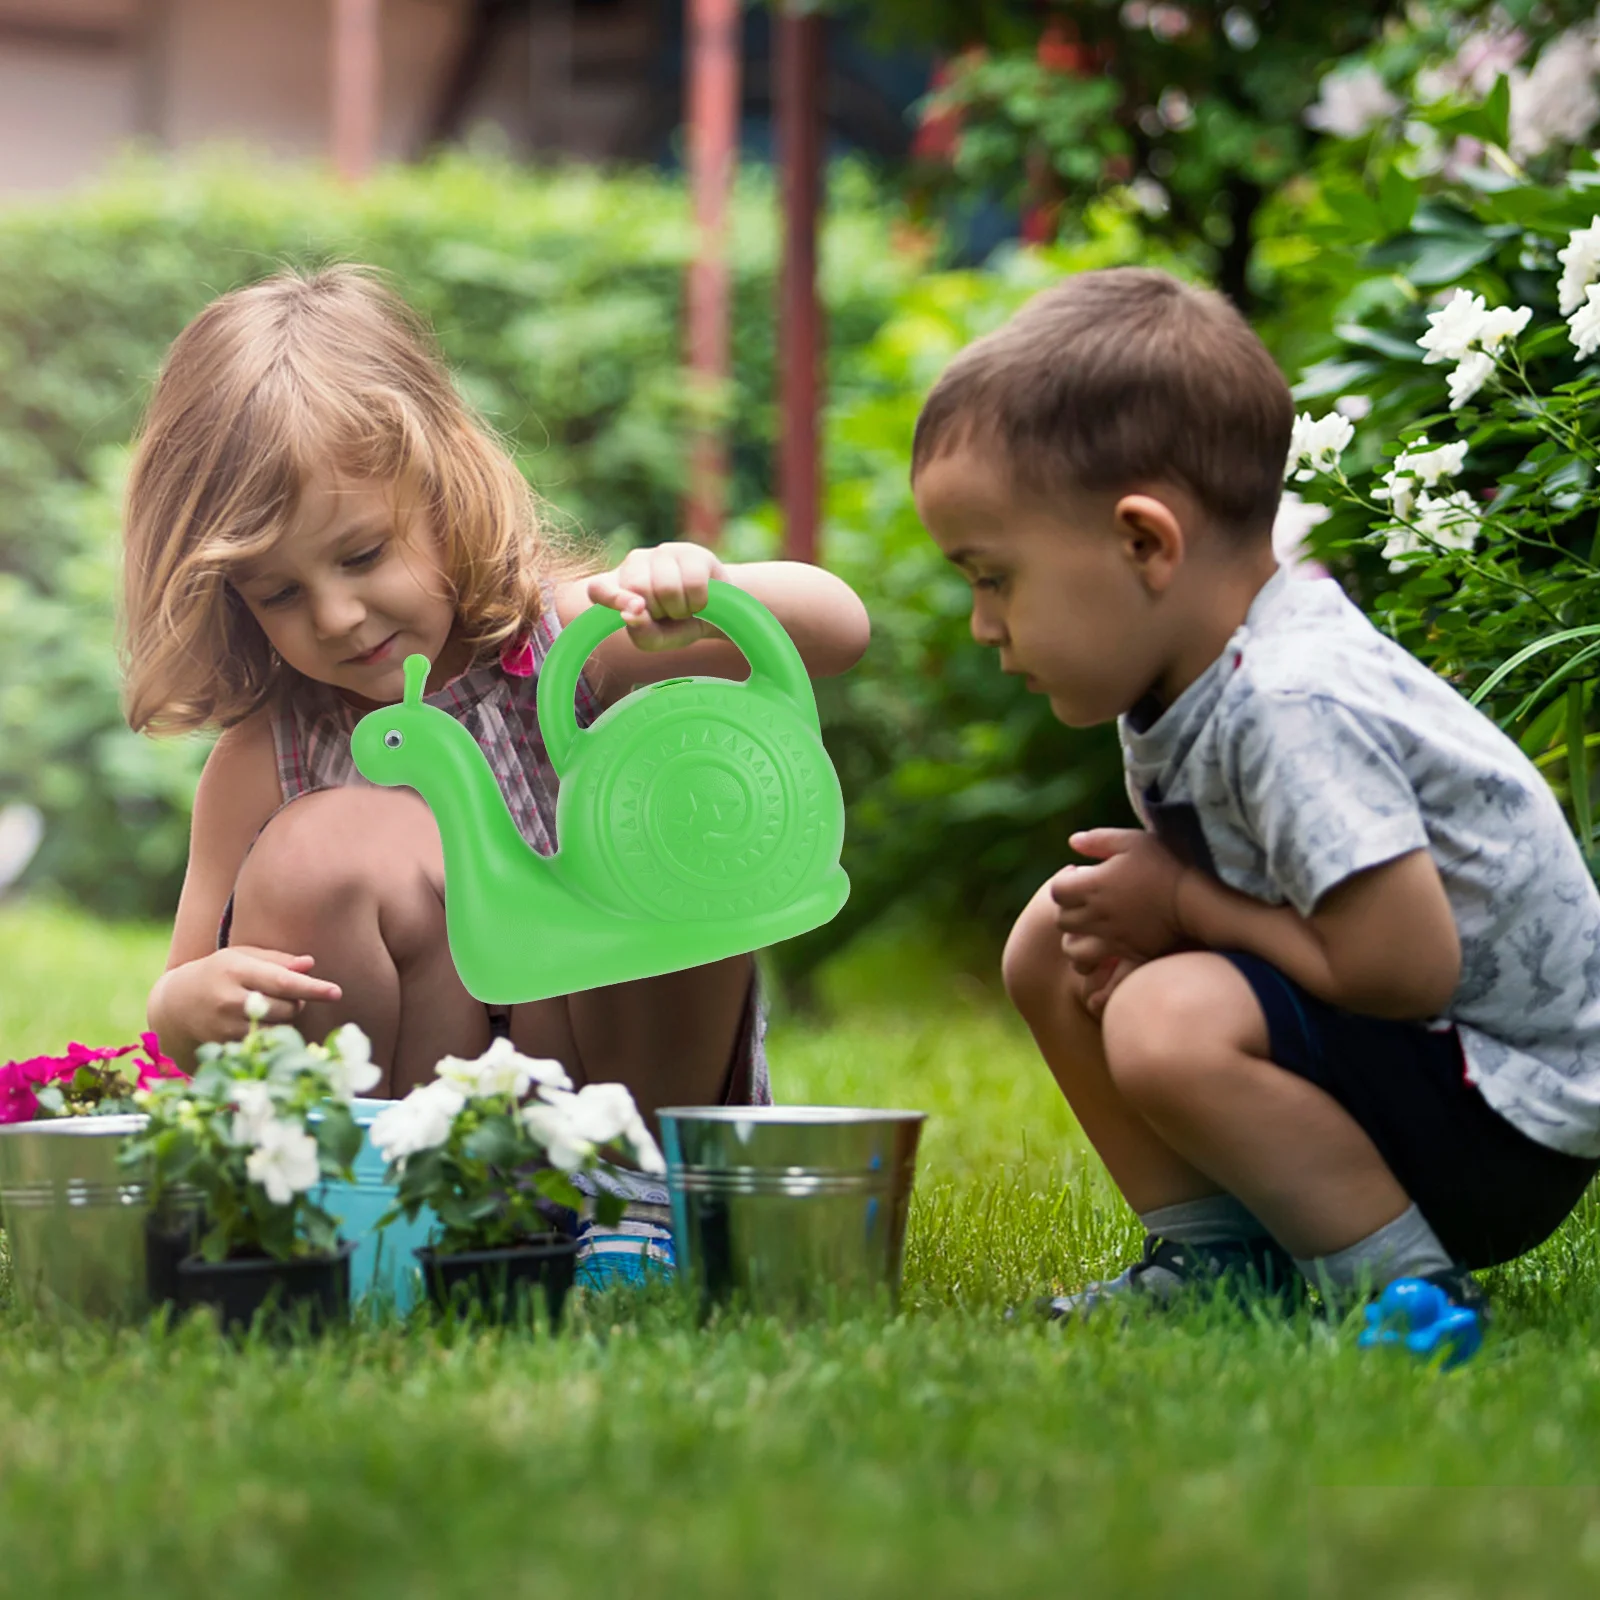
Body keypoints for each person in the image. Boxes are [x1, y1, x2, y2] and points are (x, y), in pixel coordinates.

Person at [121, 265, 869, 1281]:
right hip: (416, 1145)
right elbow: (182, 1003)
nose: (337, 615)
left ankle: (631, 1216)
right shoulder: (265, 757)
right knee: (322, 848)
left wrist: (702, 589)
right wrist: (182, 1006)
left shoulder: (576, 647)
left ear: (442, 487)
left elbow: (837, 628)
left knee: (659, 759)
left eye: (363, 552)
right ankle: (385, 1220)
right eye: (279, 592)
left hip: (627, 1111)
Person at [910, 266, 1600, 1324]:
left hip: (1506, 1113)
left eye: (993, 577)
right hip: (1424, 1068)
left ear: (1144, 542)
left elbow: (1403, 968)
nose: (982, 624)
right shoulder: (1189, 675)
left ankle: (1405, 1290)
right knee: (1057, 934)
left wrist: (1182, 908)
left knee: (1162, 1017)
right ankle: (1214, 1265)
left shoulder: (1289, 702)